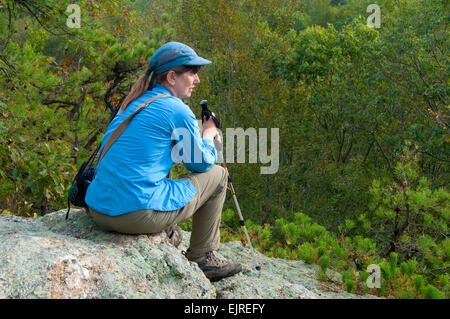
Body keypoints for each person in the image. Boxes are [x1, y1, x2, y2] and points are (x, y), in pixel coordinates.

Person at [85, 42, 242, 281]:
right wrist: (208, 135)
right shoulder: (176, 110)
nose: (197, 80)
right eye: (193, 73)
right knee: (219, 175)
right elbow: (198, 164)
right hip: (133, 215)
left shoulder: (132, 102)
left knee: (149, 173)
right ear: (171, 76)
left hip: (98, 209)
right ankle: (203, 257)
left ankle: (167, 230)